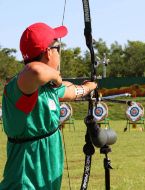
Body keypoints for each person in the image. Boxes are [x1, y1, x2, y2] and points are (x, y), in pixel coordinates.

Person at [0, 22, 97, 189]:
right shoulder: (19, 87)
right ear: (48, 52)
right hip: (24, 183)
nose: (60, 53)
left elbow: (71, 91)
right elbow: (35, 71)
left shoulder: (49, 88)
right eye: (58, 47)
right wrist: (56, 76)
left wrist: (89, 87)